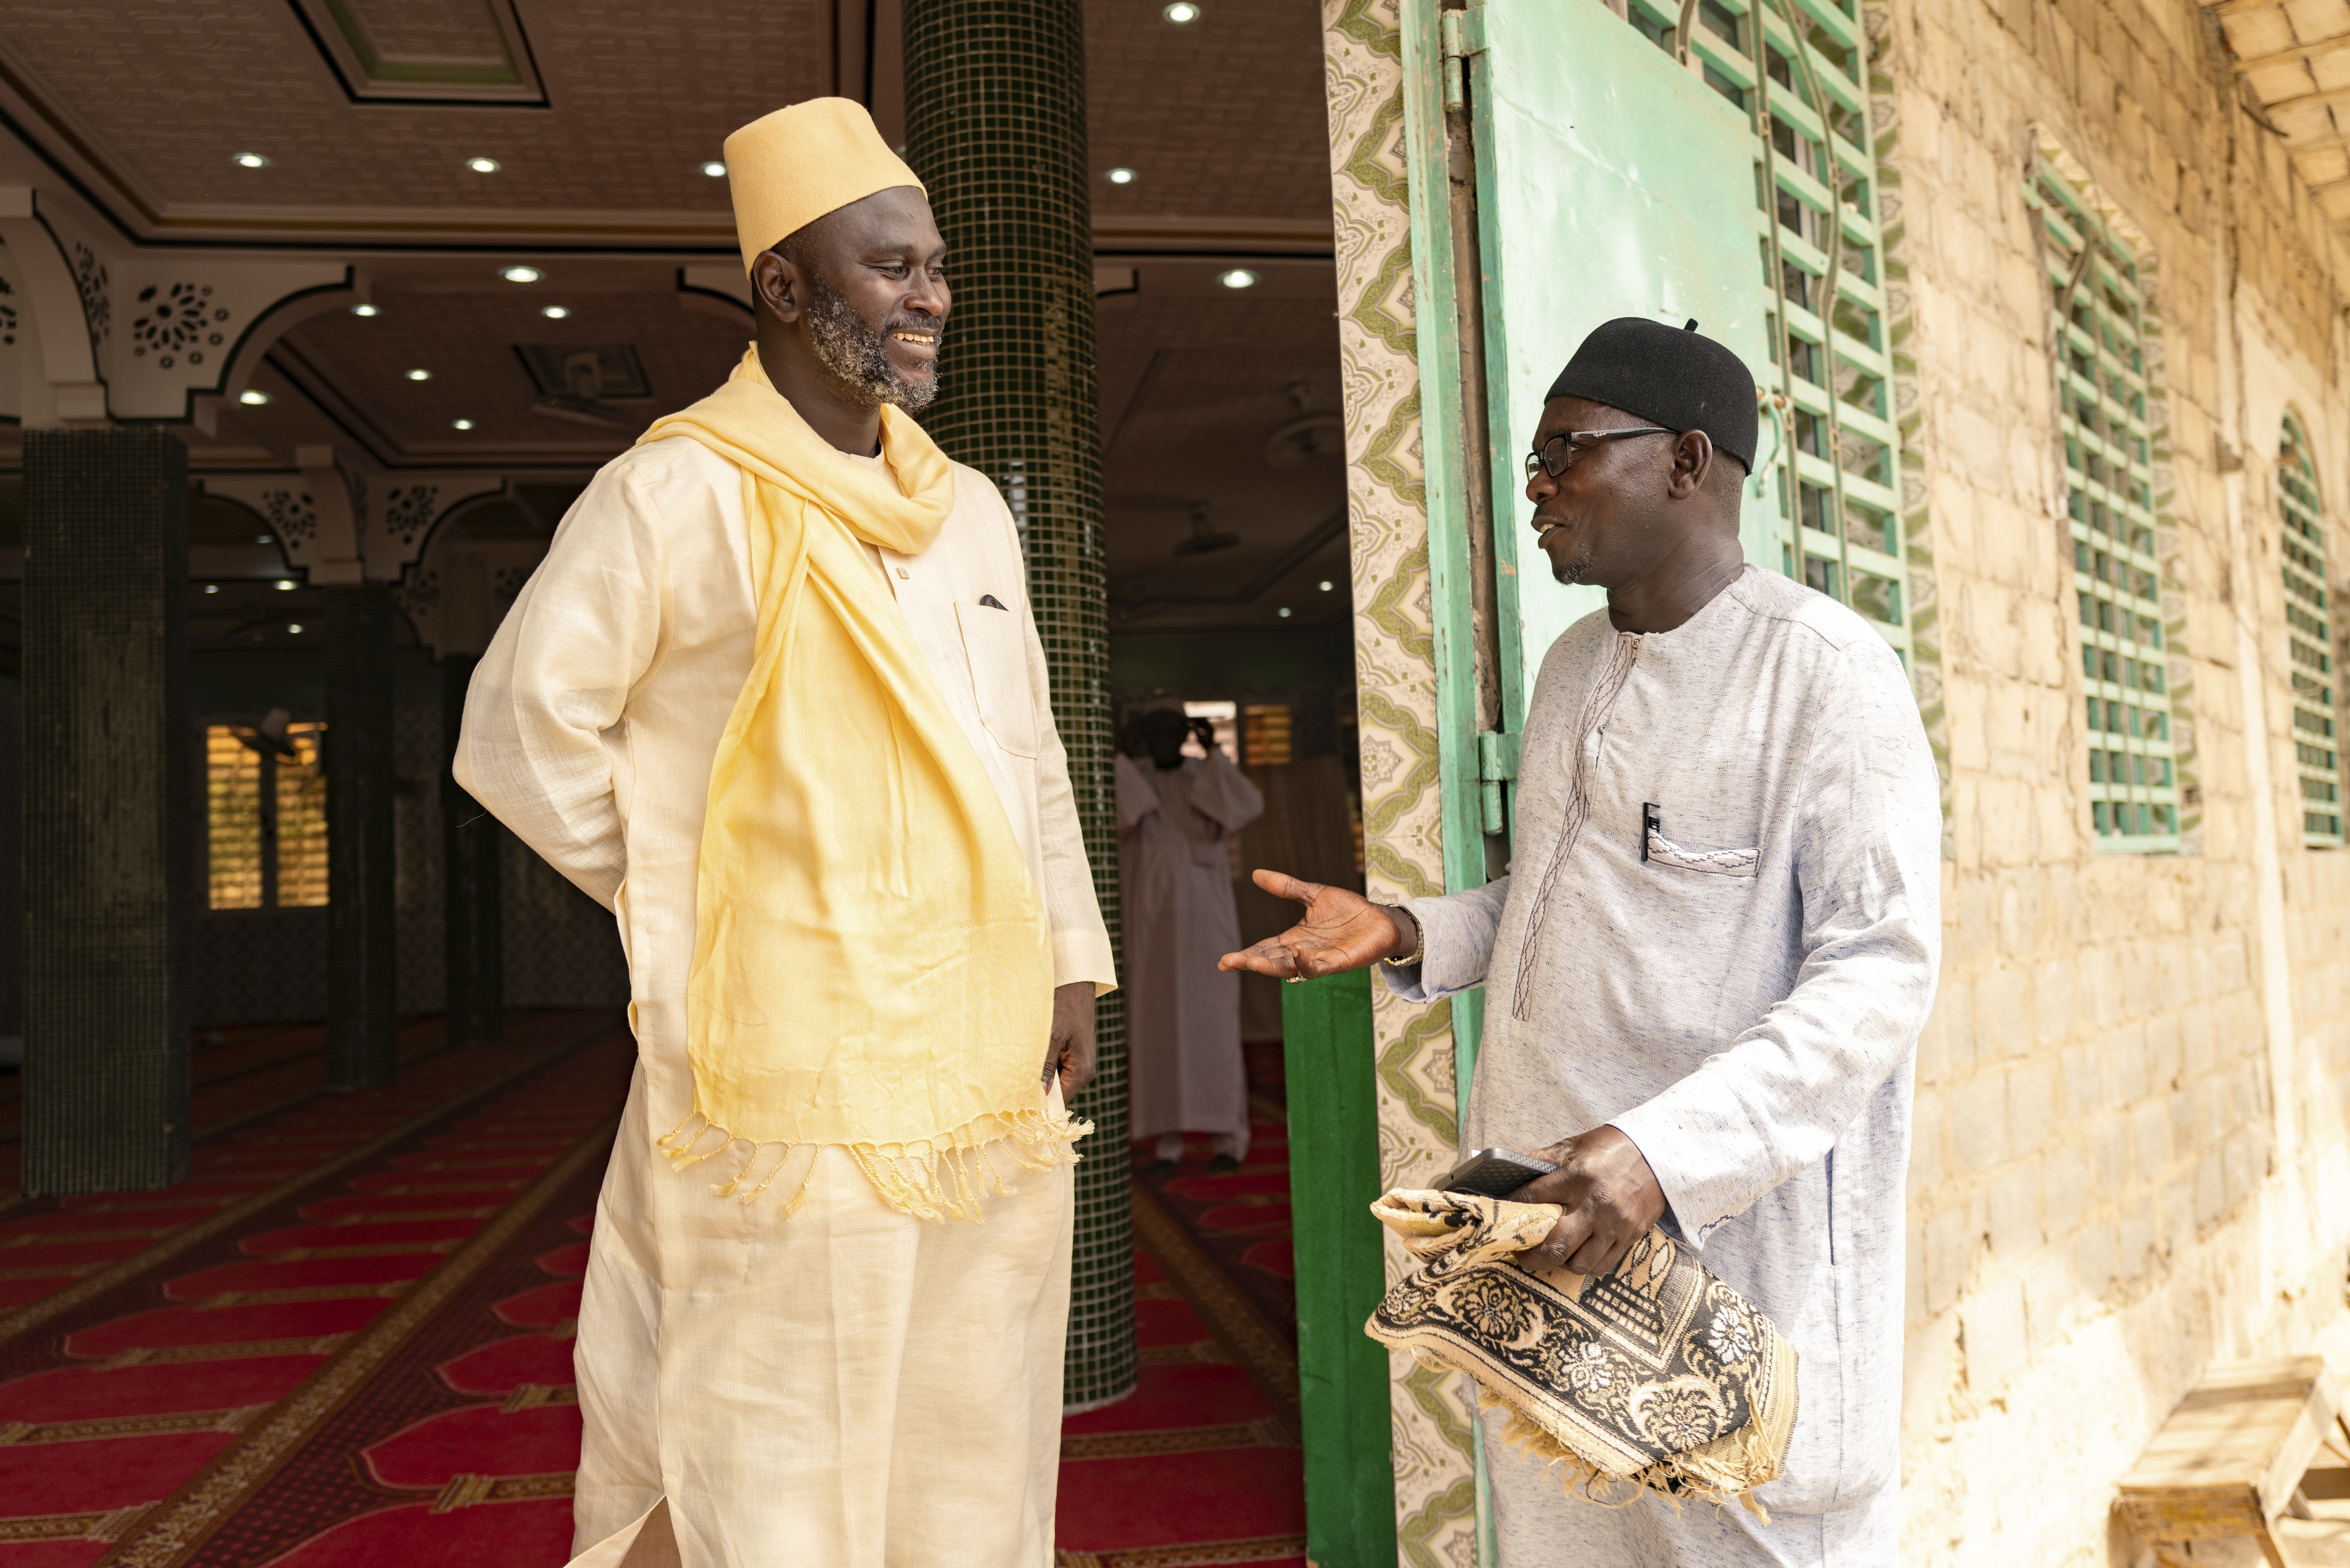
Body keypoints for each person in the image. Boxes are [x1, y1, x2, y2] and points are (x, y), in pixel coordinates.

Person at [456, 98, 1116, 1568]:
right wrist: (703, 904)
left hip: (983, 1049)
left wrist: (1069, 956)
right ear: (785, 286)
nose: (931, 293)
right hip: (782, 1062)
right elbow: (518, 728)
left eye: (936, 264)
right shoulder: (672, 489)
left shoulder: (966, 515)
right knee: (779, 1416)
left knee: (972, 1402)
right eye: (891, 265)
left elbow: (1026, 751)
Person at [1221, 317, 1941, 1565]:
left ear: (1683, 461)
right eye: (1535, 460)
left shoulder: (1825, 676)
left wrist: (1661, 1152)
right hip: (1545, 1245)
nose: (1538, 487)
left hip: (1728, 1267)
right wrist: (1402, 926)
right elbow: (1555, 900)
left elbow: (1876, 979)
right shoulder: (1570, 667)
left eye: (1568, 452)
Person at [1116, 709, 1264, 1173]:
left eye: (1171, 730)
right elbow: (1124, 813)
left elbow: (1247, 806)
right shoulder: (1132, 776)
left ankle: (1228, 1138)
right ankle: (1169, 1142)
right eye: (1153, 730)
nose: (1163, 739)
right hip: (1152, 926)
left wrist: (1215, 749)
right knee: (1157, 1028)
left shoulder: (1207, 774)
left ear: (1185, 735)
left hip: (1208, 925)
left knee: (1214, 1027)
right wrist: (1121, 747)